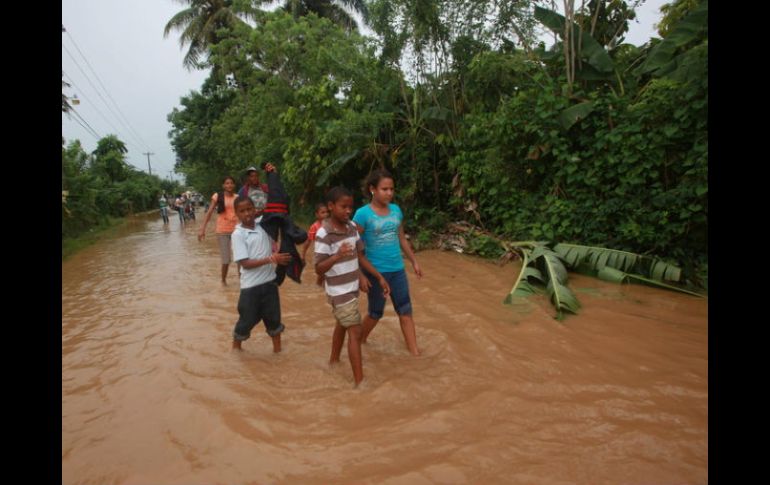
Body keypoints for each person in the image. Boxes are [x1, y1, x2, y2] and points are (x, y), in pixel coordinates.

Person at [315, 186, 390, 387]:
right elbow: (319, 268)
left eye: (350, 207)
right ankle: (360, 383)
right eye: (343, 207)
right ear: (331, 207)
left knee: (343, 323)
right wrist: (337, 256)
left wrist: (376, 277)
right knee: (355, 332)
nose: (348, 211)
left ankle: (333, 361)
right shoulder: (324, 234)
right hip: (338, 292)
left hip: (351, 288)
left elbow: (360, 257)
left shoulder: (351, 229)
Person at [352, 169, 423, 356]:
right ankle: (358, 341)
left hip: (397, 269)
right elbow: (352, 247)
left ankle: (415, 354)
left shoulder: (396, 211)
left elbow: (401, 239)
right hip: (375, 272)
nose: (389, 193)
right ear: (372, 189)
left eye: (392, 189)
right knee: (375, 313)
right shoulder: (362, 214)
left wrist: (414, 262)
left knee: (405, 311)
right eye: (385, 189)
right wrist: (359, 275)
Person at [231, 195, 292, 351]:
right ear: (236, 214)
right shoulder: (238, 235)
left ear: (255, 209)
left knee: (274, 321)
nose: (247, 214)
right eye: (242, 211)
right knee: (246, 322)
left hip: (270, 283)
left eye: (249, 209)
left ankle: (278, 353)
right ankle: (236, 349)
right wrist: (272, 259)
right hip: (250, 287)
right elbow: (245, 263)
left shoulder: (263, 225)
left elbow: (275, 211)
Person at [198, 176, 239, 285]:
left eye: (231, 183)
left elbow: (242, 213)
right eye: (227, 183)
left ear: (234, 185)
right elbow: (210, 212)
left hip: (237, 231)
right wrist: (202, 229)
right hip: (222, 230)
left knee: (240, 258)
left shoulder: (238, 197)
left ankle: (243, 282)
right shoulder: (217, 196)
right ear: (223, 185)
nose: (229, 185)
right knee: (226, 260)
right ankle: (223, 281)